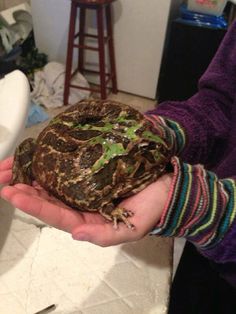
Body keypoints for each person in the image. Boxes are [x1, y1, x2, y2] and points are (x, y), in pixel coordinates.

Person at [1, 19, 236, 314]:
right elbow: (221, 102)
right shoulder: (115, 170)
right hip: (207, 249)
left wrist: (203, 208)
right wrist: (168, 130)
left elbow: (94, 193)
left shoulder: (121, 173)